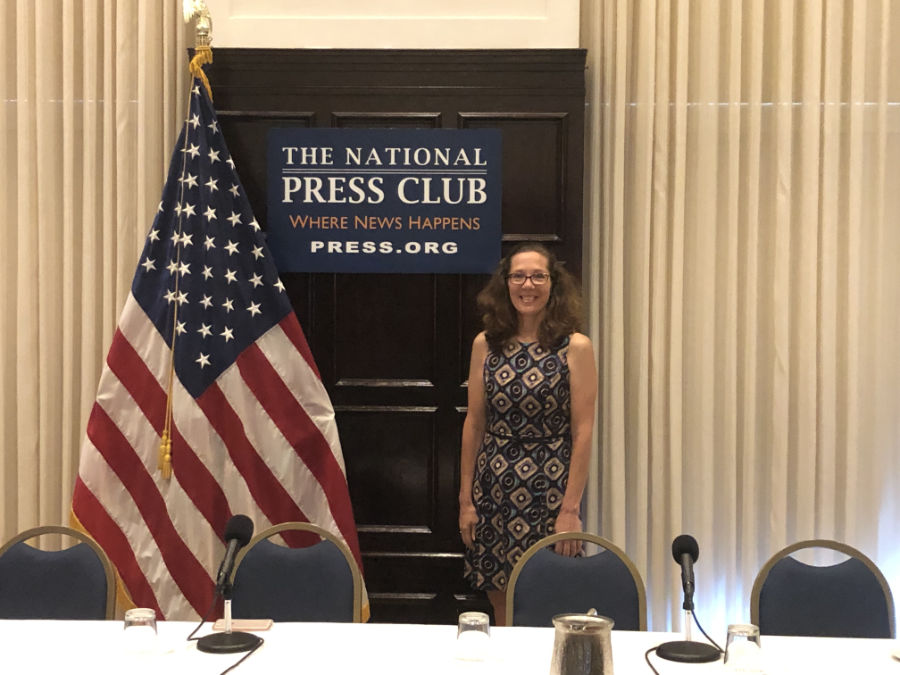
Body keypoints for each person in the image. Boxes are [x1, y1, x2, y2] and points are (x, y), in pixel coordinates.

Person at [458, 242, 597, 627]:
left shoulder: (575, 347)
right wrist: (465, 499)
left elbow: (583, 431)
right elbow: (474, 422)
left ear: (554, 284)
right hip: (493, 487)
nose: (528, 284)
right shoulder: (485, 344)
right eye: (518, 276)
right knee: (499, 599)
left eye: (538, 275)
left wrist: (571, 509)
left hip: (549, 490)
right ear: (505, 284)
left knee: (548, 596)